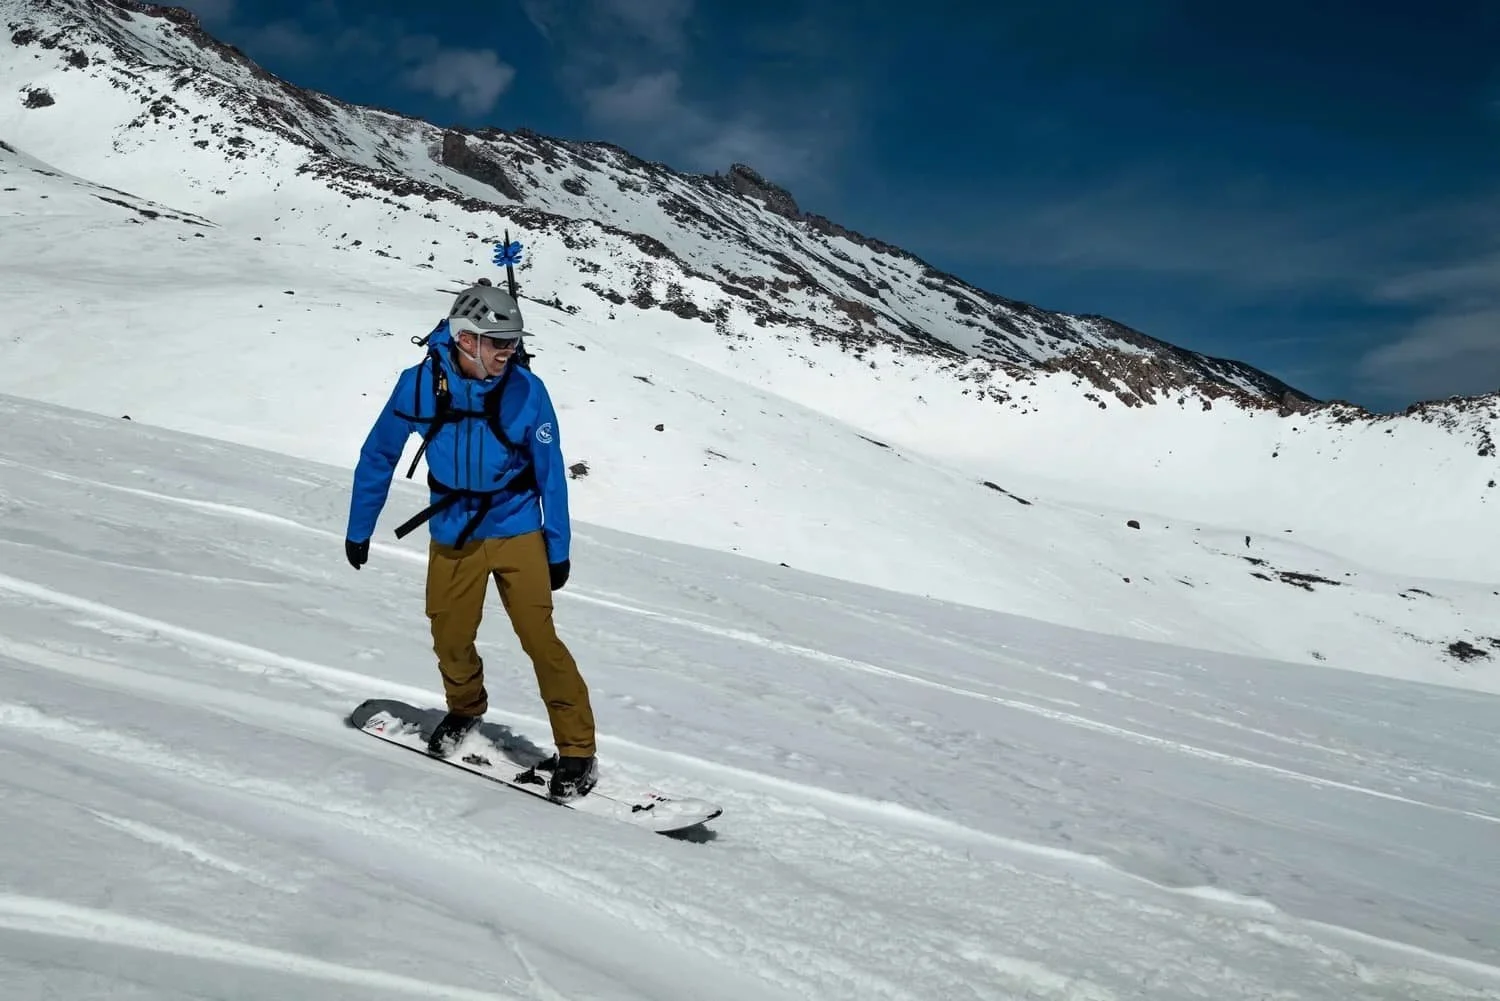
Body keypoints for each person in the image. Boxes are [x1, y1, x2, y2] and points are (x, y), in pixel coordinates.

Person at [343, 281, 598, 801]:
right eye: (498, 342)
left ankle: (577, 750)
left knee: (540, 640)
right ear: (465, 339)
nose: (510, 352)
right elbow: (378, 456)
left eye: (512, 342)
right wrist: (358, 528)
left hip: (517, 526)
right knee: (449, 636)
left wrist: (558, 546)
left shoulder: (528, 391)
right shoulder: (417, 387)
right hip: (454, 528)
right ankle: (465, 709)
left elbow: (551, 473)